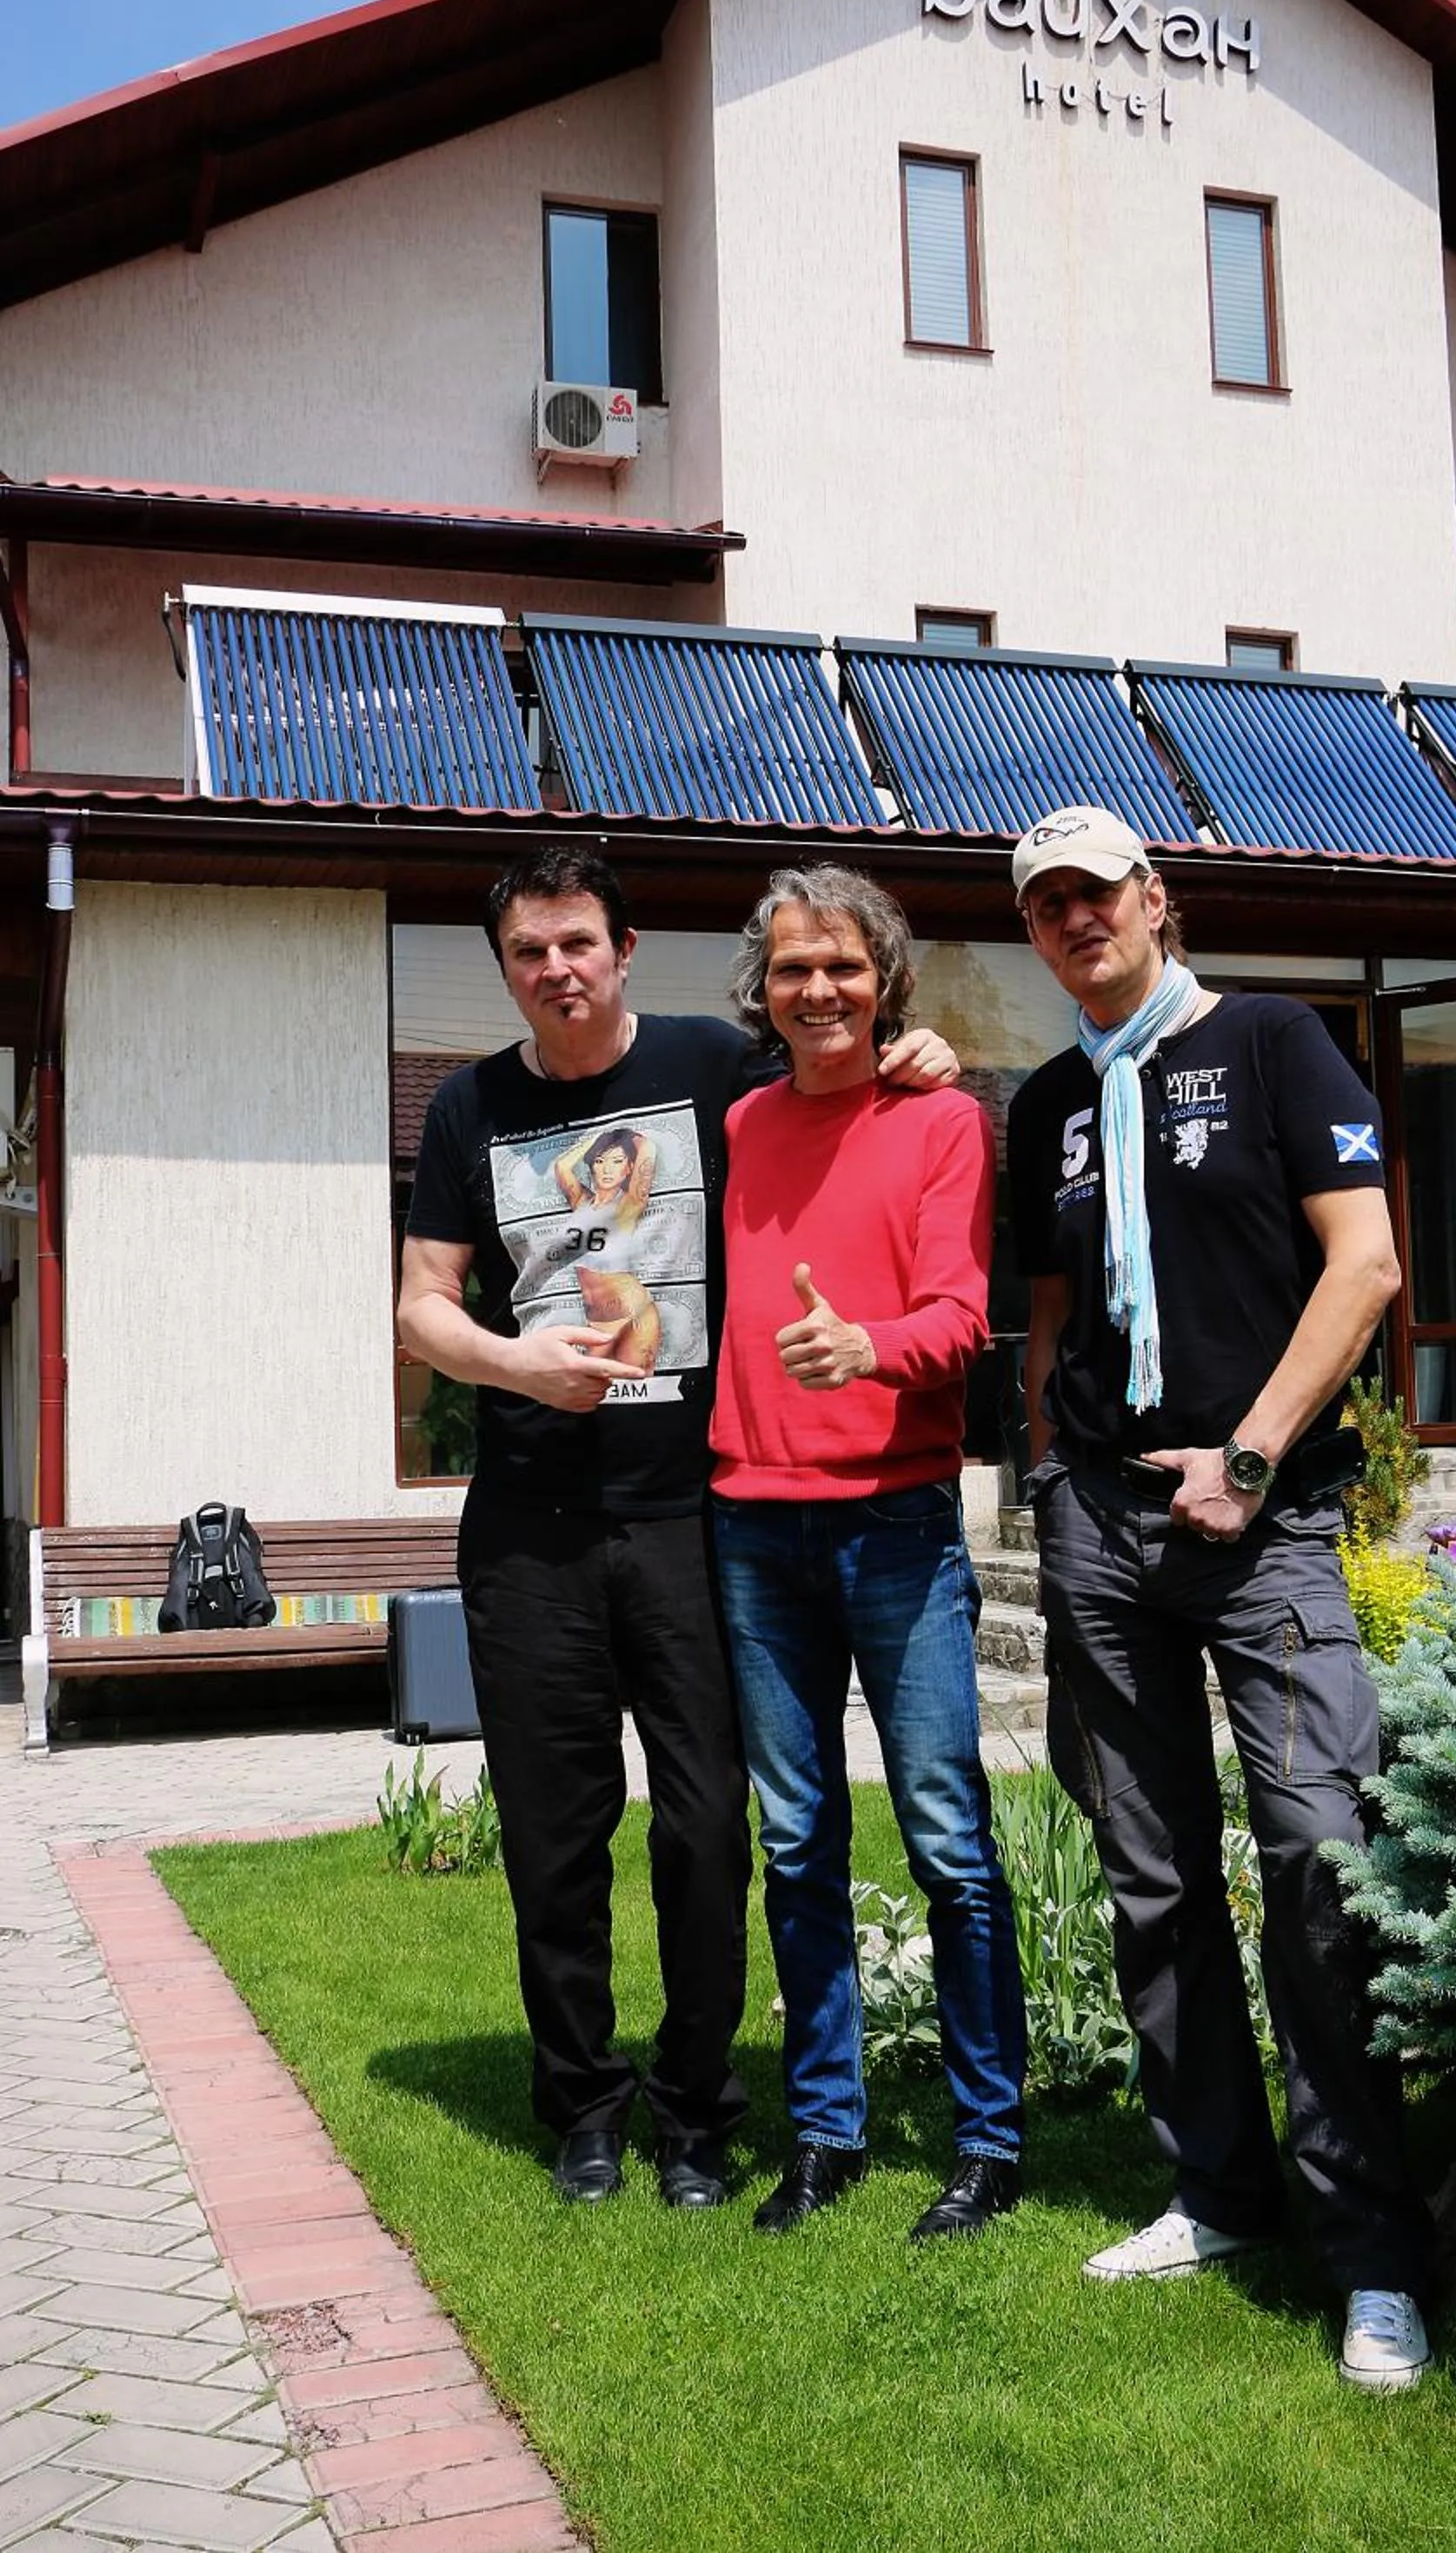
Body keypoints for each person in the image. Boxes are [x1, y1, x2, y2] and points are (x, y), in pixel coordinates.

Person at [397, 845, 957, 2212]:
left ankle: (699, 2109)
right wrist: (517, 1368)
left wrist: (910, 1054)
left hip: (694, 1517)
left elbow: (831, 1096)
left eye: (578, 942)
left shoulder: (715, 1065)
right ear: (510, 969)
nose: (557, 970)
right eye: (530, 952)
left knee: (710, 1826)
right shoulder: (471, 1108)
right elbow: (422, 1305)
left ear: (624, 947)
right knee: (554, 1831)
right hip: (528, 1526)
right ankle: (584, 2104)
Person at [1004, 805, 1436, 2389]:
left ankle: (1376, 2257)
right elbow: (1049, 1319)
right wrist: (1058, 1471)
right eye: (1046, 907)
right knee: (1151, 1876)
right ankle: (1221, 2193)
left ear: (1155, 898)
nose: (1074, 922)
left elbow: (1368, 1265)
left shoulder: (1271, 1042)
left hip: (1266, 1533)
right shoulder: (1046, 1100)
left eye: (1095, 894)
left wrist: (1248, 1456)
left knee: (1322, 1861)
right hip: (1103, 1537)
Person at [709, 864, 1027, 2240]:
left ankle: (988, 2140)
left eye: (843, 965)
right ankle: (825, 2134)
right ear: (762, 992)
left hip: (896, 1518)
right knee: (797, 1847)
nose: (819, 989)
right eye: (794, 969)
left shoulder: (945, 1120)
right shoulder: (739, 1122)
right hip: (751, 1520)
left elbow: (965, 1315)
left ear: (884, 978)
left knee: (950, 1841)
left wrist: (870, 1347)